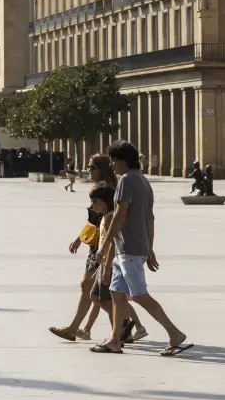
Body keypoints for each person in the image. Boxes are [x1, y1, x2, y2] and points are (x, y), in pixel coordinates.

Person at [91, 140, 192, 357]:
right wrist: (149, 247)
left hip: (128, 248)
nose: (111, 165)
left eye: (113, 160)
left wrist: (105, 245)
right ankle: (115, 339)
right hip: (130, 248)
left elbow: (119, 215)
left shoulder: (126, 180)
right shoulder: (143, 181)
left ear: (123, 161)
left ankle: (174, 333)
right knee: (117, 293)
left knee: (138, 295)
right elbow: (150, 218)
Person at [49, 155, 145, 343]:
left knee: (99, 291)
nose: (89, 170)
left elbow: (114, 220)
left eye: (92, 167)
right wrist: (79, 238)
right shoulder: (102, 189)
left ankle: (118, 329)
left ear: (102, 168)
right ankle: (121, 329)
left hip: (104, 247)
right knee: (100, 292)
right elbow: (93, 221)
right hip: (98, 244)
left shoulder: (110, 190)